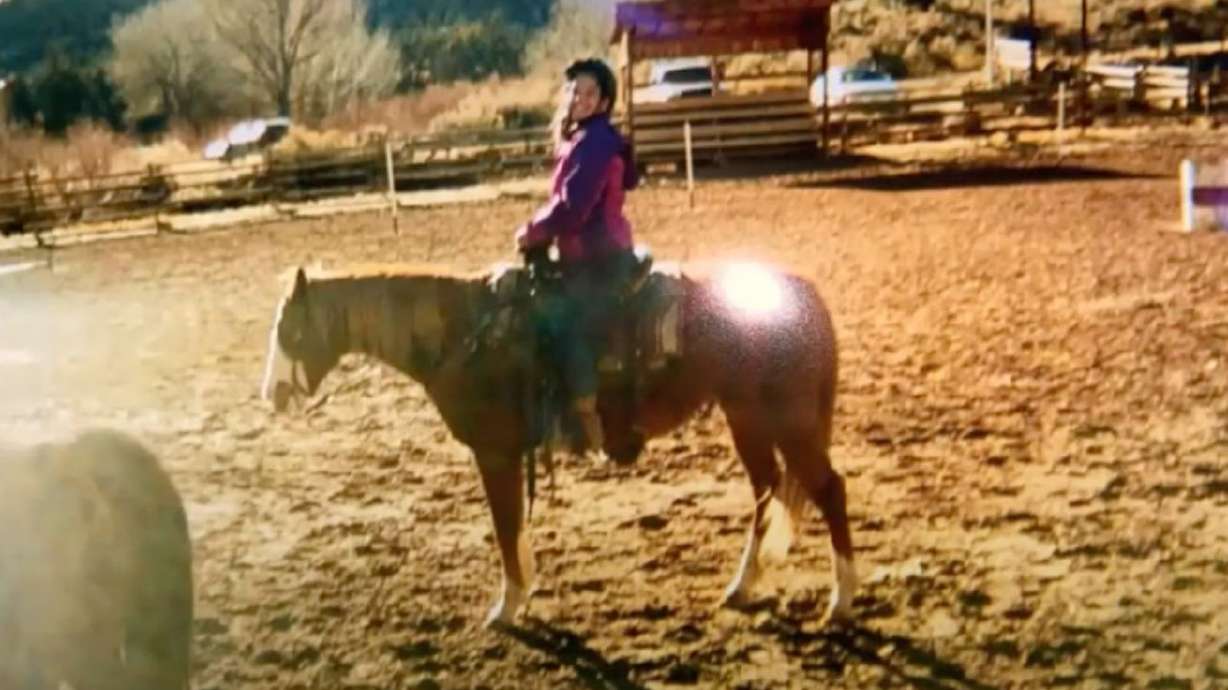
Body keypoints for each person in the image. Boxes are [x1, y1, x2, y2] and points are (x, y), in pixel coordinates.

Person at [515, 57, 639, 455]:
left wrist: (531, 232)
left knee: (570, 321)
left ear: (604, 102)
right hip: (588, 250)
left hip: (597, 256)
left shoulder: (596, 141)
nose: (580, 99)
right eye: (575, 91)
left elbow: (572, 207)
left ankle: (587, 420)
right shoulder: (583, 138)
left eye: (590, 93)